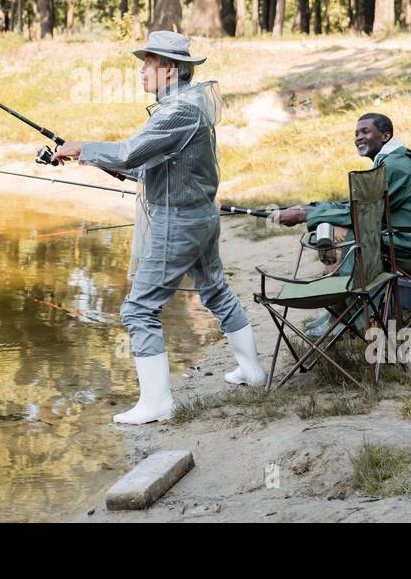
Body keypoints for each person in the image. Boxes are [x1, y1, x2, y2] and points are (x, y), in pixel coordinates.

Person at [51, 30, 266, 425]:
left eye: (148, 63)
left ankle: (157, 404)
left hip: (179, 222)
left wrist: (81, 147)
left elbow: (131, 151)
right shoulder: (185, 104)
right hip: (200, 216)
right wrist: (100, 162)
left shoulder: (179, 110)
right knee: (215, 290)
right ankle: (251, 371)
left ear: (169, 69)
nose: (142, 71)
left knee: (138, 310)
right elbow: (148, 162)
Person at [278, 112, 411, 337]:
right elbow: (360, 206)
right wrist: (313, 209)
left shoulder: (393, 166)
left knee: (339, 235)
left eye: (365, 131)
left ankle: (351, 315)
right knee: (333, 229)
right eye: (356, 133)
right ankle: (341, 314)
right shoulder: (391, 161)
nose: (358, 137)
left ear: (385, 136)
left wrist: (307, 216)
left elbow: (363, 214)